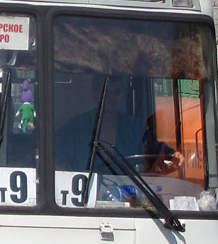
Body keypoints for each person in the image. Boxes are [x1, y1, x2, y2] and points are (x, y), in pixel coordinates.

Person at [55, 74, 183, 174]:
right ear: (94, 93)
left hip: (126, 200)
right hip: (85, 198)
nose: (112, 97)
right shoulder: (76, 127)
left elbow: (157, 153)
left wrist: (173, 157)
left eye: (117, 92)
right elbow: (58, 163)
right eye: (106, 92)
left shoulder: (135, 128)